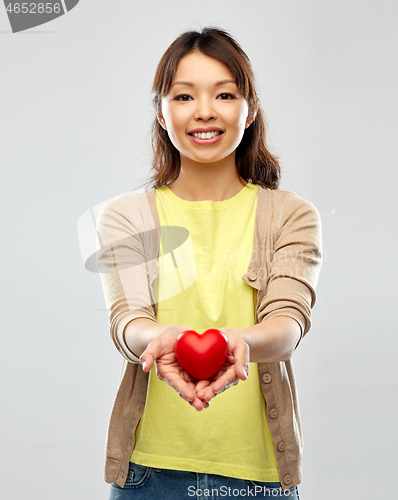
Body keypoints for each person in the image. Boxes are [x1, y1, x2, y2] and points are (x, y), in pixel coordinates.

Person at [96, 26, 322, 500]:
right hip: (147, 477)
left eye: (224, 93)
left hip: (259, 481)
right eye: (183, 96)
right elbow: (127, 321)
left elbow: (288, 324)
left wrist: (235, 342)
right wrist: (163, 341)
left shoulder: (291, 215)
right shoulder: (126, 215)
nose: (203, 111)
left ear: (250, 108)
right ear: (161, 111)